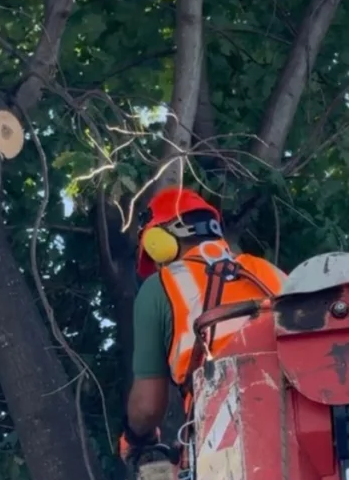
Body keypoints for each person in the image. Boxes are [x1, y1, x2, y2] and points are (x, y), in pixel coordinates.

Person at [118, 186, 286, 462]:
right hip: (296, 406)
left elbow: (147, 407)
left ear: (159, 242)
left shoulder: (161, 286)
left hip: (225, 429)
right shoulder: (269, 272)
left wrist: (135, 437)